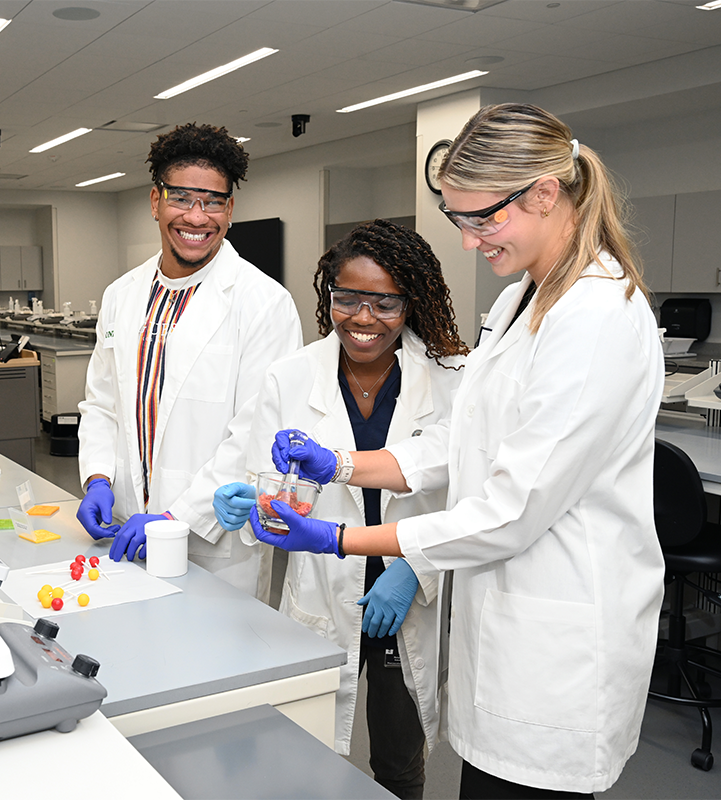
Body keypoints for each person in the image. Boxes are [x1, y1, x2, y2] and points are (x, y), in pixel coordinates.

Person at [253, 104, 665, 799]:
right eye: (458, 221)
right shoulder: (519, 304)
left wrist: (342, 536)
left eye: (483, 219)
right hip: (502, 634)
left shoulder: (594, 318)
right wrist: (345, 465)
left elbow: (512, 507)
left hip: (555, 649)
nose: (470, 243)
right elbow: (465, 441)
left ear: (543, 194)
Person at [214, 220, 468, 800]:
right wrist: (253, 503)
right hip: (323, 585)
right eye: (347, 298)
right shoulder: (291, 375)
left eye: (384, 302)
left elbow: (471, 497)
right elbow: (267, 478)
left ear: (413, 302)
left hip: (406, 590)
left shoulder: (454, 377)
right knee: (302, 749)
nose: (362, 318)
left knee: (400, 760)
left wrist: (415, 568)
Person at [76, 122, 303, 599]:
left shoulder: (263, 301)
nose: (197, 217)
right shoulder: (121, 296)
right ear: (155, 201)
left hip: (211, 540)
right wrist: (98, 477)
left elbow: (257, 431)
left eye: (213, 201)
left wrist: (174, 518)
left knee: (213, 663)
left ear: (230, 209)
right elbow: (101, 403)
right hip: (122, 524)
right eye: (181, 198)